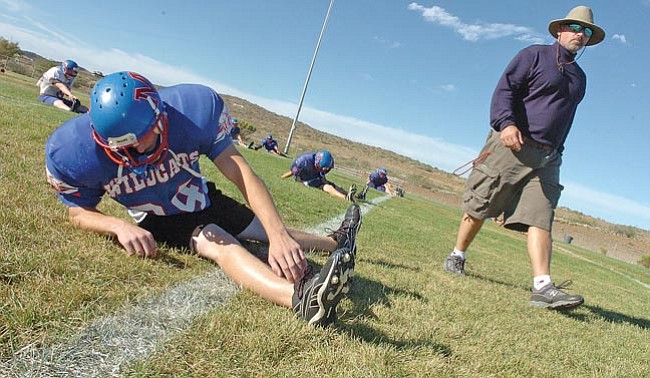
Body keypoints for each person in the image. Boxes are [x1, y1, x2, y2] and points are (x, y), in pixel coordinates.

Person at [45, 71, 362, 326]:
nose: (136, 154)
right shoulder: (72, 150)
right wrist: (117, 225)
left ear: (161, 117)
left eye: (141, 141)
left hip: (198, 196)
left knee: (267, 230)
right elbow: (78, 211)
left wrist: (278, 234)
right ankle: (299, 297)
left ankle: (337, 242)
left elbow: (240, 172)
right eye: (123, 148)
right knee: (218, 241)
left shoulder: (193, 109)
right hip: (156, 215)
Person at [442, 6, 605, 310]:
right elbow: (506, 90)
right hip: (512, 145)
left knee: (541, 216)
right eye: (574, 27)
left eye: (585, 32)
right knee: (482, 203)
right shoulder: (533, 55)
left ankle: (542, 287)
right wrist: (506, 123)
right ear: (560, 30)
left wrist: (558, 149)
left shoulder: (579, 78)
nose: (579, 35)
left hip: (548, 157)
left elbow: (564, 118)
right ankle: (457, 255)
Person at [281, 150, 358, 201]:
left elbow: (322, 175)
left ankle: (350, 195)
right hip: (304, 178)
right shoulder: (304, 161)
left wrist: (326, 181)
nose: (323, 170)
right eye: (321, 167)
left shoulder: (325, 166)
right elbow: (292, 172)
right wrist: (281, 178)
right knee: (327, 187)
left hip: (314, 175)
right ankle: (345, 197)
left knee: (331, 185)